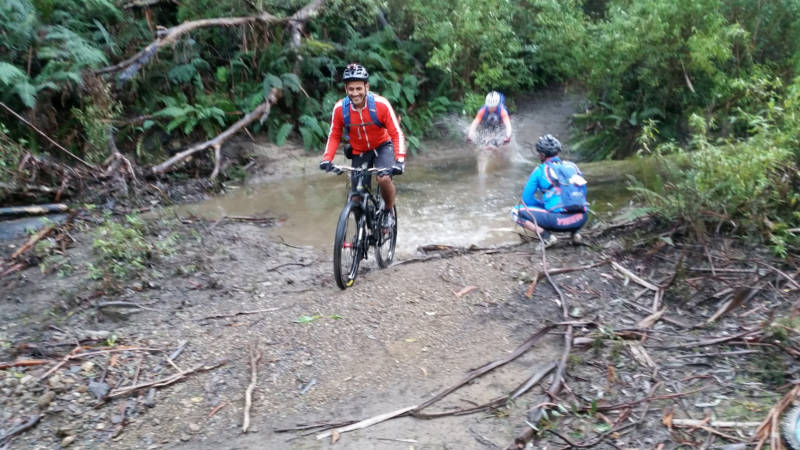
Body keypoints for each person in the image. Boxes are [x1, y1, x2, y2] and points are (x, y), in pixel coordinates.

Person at [319, 63, 406, 228]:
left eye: (359, 88)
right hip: (359, 151)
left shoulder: (381, 105)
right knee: (356, 197)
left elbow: (396, 133)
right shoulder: (340, 109)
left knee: (384, 178)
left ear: (367, 86)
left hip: (382, 146)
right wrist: (327, 159)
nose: (355, 93)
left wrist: (400, 160)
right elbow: (334, 135)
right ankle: (361, 236)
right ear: (346, 89)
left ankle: (388, 211)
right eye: (351, 89)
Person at [511, 134, 588, 247]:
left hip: (558, 222)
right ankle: (575, 234)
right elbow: (583, 193)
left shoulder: (539, 170)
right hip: (581, 218)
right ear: (558, 152)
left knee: (515, 212)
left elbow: (526, 200)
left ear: (542, 155)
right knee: (572, 202)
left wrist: (544, 205)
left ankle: (547, 237)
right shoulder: (573, 166)